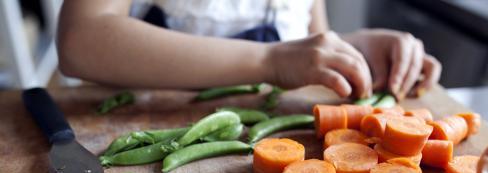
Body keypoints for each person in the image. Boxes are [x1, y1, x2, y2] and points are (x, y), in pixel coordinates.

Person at [57, 0, 442, 100]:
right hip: (153, 133)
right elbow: (81, 41)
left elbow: (308, 41)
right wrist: (269, 61)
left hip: (263, 149)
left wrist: (353, 47)